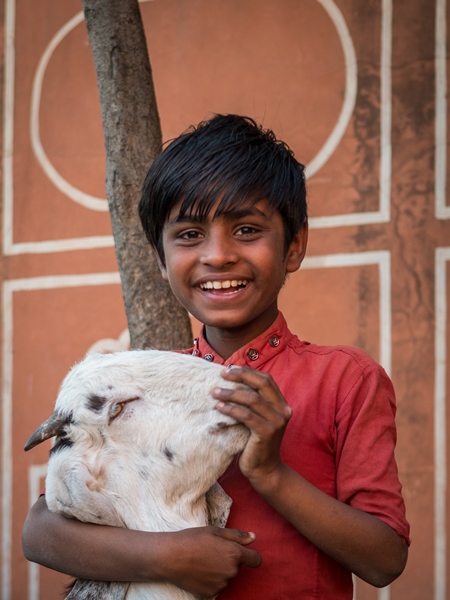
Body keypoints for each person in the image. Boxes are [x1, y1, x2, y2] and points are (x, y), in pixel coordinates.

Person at [23, 114, 409, 599]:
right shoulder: (140, 389)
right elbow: (39, 531)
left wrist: (270, 473)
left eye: (247, 229)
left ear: (295, 245)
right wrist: (167, 557)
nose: (218, 255)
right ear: (161, 260)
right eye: (188, 235)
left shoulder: (345, 379)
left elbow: (385, 559)